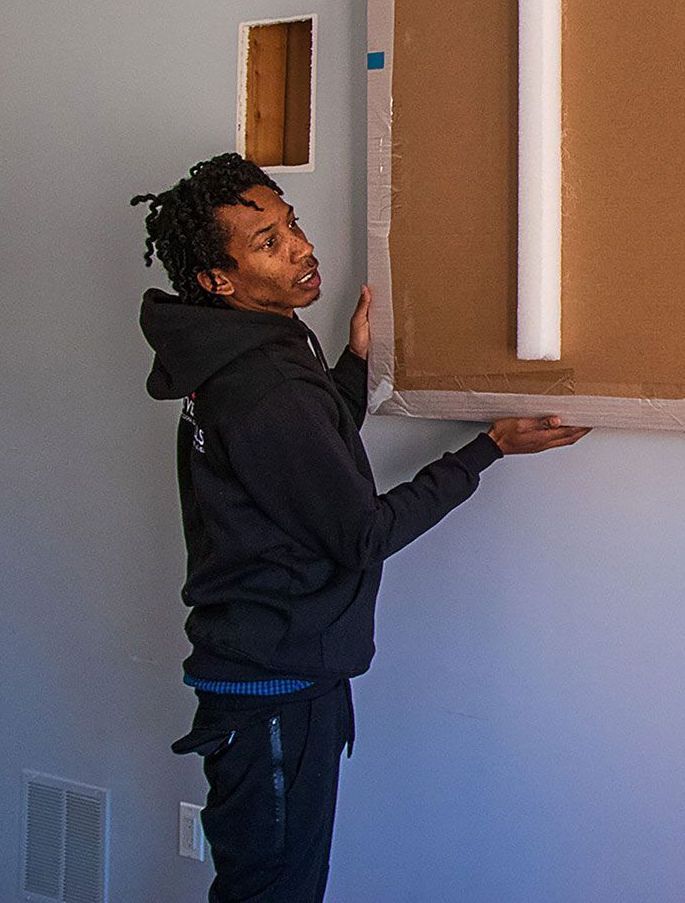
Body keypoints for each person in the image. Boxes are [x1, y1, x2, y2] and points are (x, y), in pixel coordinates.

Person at [133, 153, 588, 903]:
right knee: (274, 893)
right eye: (268, 244)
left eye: (291, 225)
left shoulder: (246, 350)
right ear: (219, 279)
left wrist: (352, 364)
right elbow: (360, 534)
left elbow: (303, 462)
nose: (303, 249)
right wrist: (488, 449)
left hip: (264, 666)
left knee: (272, 882)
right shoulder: (263, 384)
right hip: (273, 684)